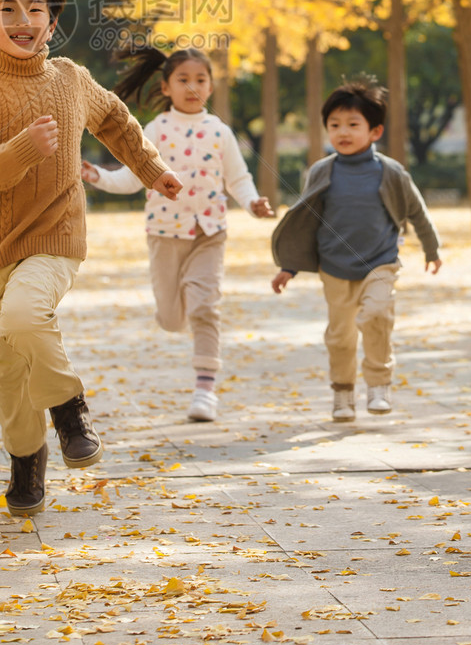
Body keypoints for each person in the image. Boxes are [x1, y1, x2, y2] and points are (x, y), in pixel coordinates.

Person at [0, 0, 182, 517]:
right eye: (8, 9)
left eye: (37, 8)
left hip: (55, 236)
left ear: (53, 20)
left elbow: (118, 123)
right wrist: (22, 149)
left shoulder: (72, 80)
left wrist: (151, 170)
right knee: (5, 370)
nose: (23, 21)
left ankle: (70, 408)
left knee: (26, 316)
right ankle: (27, 462)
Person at [82, 45, 275, 423]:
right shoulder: (154, 130)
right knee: (171, 318)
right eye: (183, 80)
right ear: (166, 87)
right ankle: (178, 309)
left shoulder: (220, 132)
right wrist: (98, 176)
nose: (193, 87)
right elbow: (131, 177)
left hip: (209, 232)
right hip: (165, 235)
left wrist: (252, 204)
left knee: (205, 306)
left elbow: (238, 179)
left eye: (201, 80)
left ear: (212, 85)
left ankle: (205, 390)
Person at [270, 78, 442, 422]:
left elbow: (416, 211)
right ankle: (343, 393)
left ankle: (379, 384)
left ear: (375, 131)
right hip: (334, 267)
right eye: (334, 125)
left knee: (376, 315)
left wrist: (431, 248)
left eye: (352, 125)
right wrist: (289, 265)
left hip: (380, 262)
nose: (342, 132)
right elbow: (306, 221)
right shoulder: (321, 171)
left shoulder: (390, 172)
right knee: (340, 336)